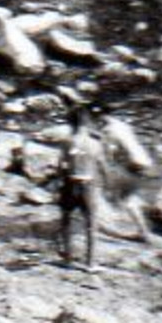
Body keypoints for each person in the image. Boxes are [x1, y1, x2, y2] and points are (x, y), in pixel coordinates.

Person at [60, 108, 107, 269]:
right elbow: (102, 166)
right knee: (91, 223)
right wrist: (105, 183)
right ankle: (91, 263)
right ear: (87, 124)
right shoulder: (95, 143)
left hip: (71, 182)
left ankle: (67, 258)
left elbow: (62, 165)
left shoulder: (68, 141)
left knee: (67, 220)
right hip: (89, 183)